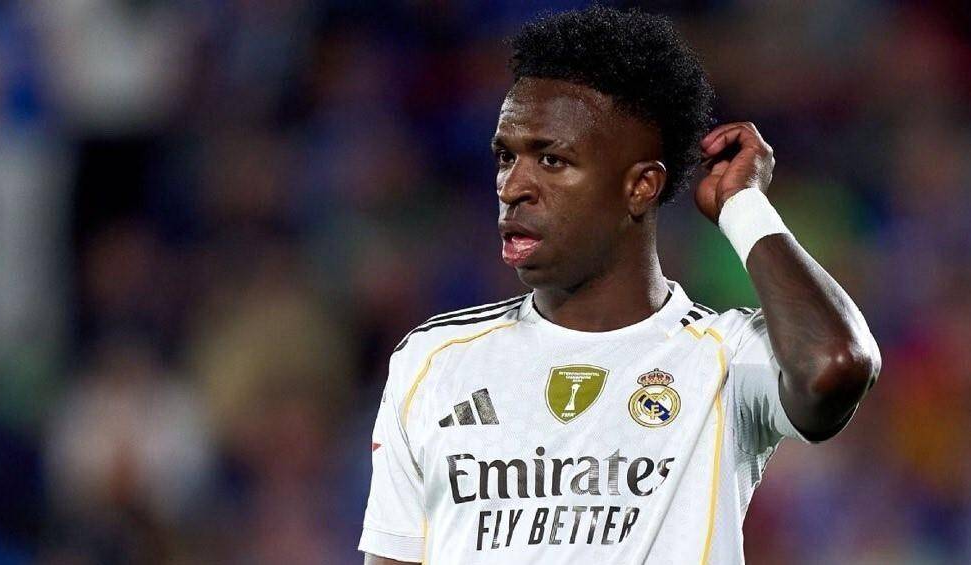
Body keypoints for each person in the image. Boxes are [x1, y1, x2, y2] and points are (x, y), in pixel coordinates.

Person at [359, 6, 880, 564]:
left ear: (641, 187)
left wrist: (743, 206)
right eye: (506, 156)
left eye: (552, 160)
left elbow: (836, 365)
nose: (512, 186)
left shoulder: (726, 358)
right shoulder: (434, 362)